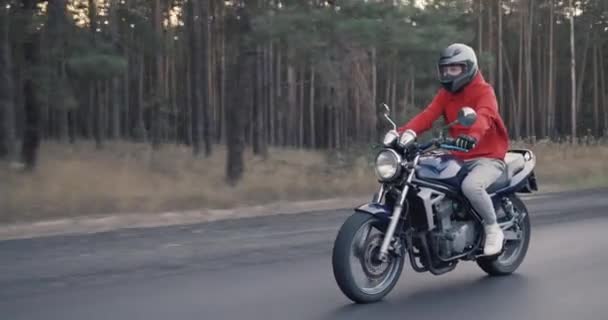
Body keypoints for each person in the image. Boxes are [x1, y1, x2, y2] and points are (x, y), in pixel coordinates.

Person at [396, 43, 510, 256]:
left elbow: (485, 115)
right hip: (458, 155)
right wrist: (402, 134)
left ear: (468, 68)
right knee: (421, 174)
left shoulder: (484, 91)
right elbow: (427, 116)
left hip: (487, 157)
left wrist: (471, 136)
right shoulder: (445, 94)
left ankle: (492, 227)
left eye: (454, 69)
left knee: (471, 187)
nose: (448, 74)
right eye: (444, 69)